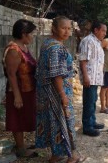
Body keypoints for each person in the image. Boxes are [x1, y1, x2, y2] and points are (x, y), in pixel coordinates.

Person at [35, 16, 80, 163]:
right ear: (54, 28)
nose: (67, 31)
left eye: (69, 28)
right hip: (57, 92)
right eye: (63, 28)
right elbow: (56, 75)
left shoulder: (47, 43)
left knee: (53, 121)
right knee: (65, 121)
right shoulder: (56, 48)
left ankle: (56, 155)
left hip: (47, 93)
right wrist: (63, 95)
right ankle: (71, 156)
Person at [2, 19, 37, 157]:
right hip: (18, 91)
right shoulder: (13, 50)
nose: (33, 36)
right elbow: (11, 74)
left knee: (23, 118)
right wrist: (17, 96)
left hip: (27, 89)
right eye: (31, 33)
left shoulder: (23, 47)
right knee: (17, 118)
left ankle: (21, 144)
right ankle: (21, 149)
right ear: (24, 34)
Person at [78, 21, 107, 137]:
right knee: (88, 102)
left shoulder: (97, 42)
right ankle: (87, 127)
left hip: (96, 77)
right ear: (96, 30)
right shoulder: (88, 41)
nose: (105, 33)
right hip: (90, 78)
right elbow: (83, 60)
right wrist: (85, 76)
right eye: (103, 30)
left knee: (93, 100)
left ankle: (92, 121)